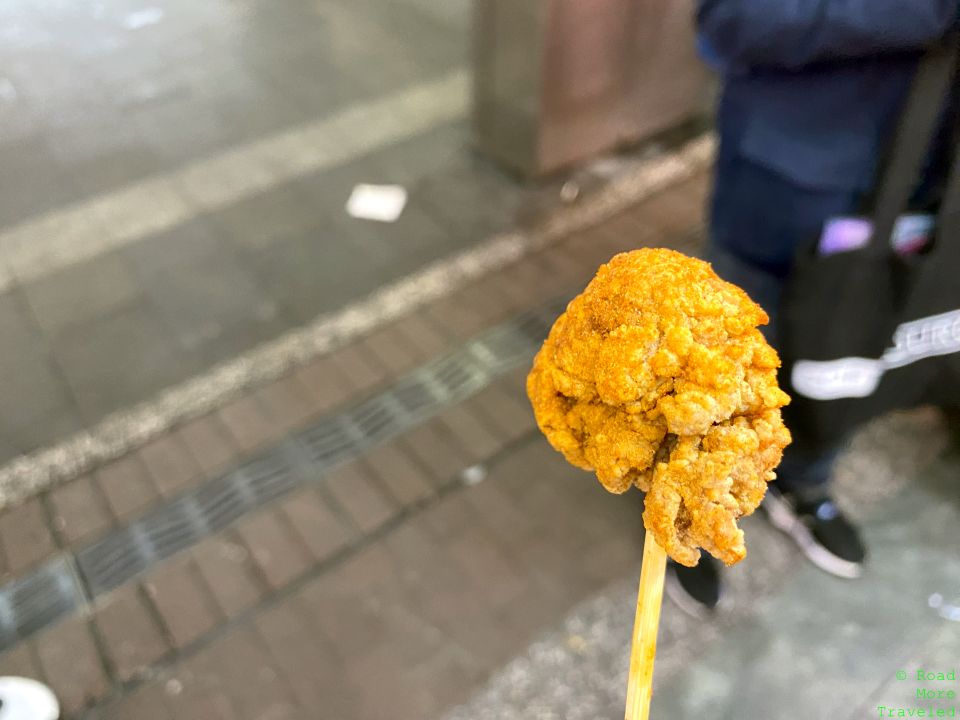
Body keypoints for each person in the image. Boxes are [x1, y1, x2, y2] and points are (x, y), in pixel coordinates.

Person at [666, 0, 960, 617]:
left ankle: (803, 480)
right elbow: (732, 19)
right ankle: (691, 516)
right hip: (791, 187)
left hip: (931, 184)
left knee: (853, 350)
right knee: (725, 375)